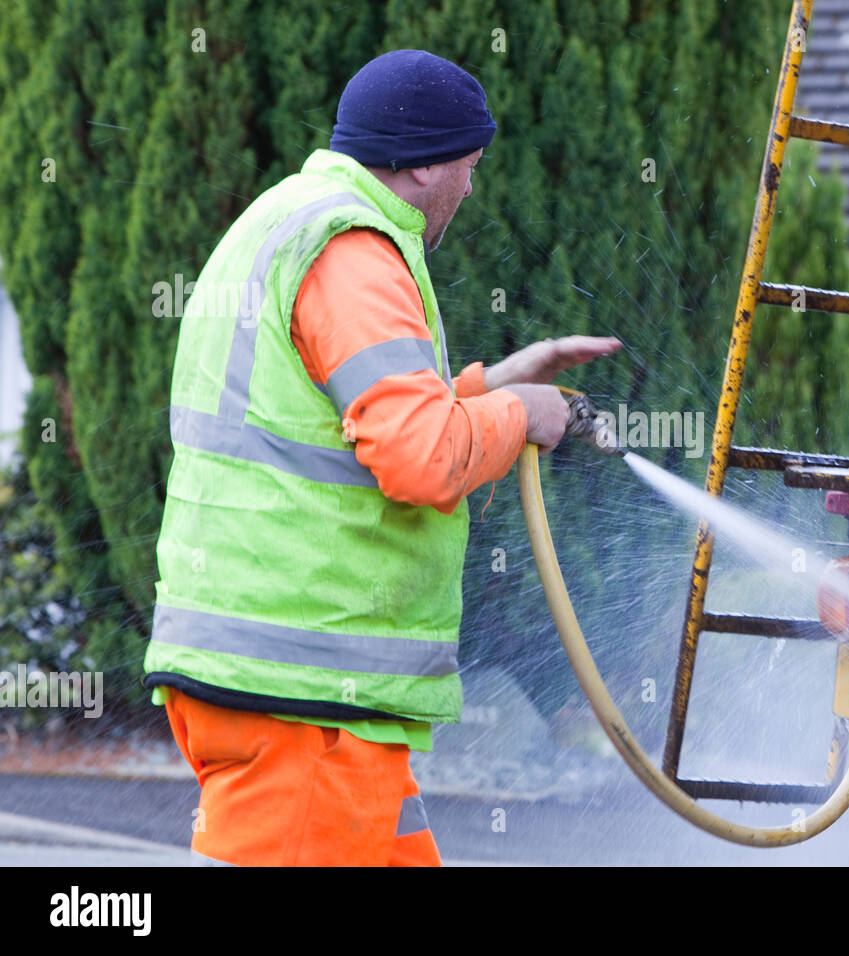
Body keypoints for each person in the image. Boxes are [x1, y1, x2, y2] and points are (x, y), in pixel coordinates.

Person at [142, 49, 621, 866]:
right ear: (426, 164)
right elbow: (421, 459)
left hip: (299, 690)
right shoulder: (354, 252)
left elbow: (353, 420)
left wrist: (493, 383)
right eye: (469, 167)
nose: (471, 188)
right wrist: (521, 413)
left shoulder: (293, 218)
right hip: (302, 696)